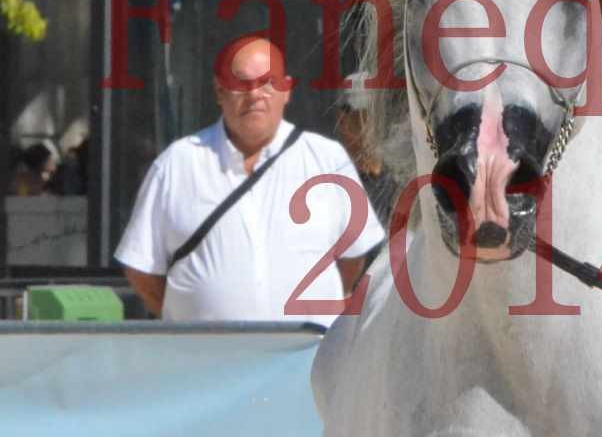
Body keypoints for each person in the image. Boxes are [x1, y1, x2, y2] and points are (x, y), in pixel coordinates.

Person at [115, 35, 384, 325]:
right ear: (219, 91)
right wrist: (186, 319)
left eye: (268, 82)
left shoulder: (328, 160)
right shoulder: (177, 164)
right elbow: (141, 269)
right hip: (204, 363)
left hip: (304, 360)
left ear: (287, 90)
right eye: (241, 83)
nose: (255, 94)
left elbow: (354, 255)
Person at [335, 75, 397, 228]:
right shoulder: (331, 188)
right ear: (343, 120)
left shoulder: (403, 179)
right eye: (365, 115)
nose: (374, 123)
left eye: (380, 114)